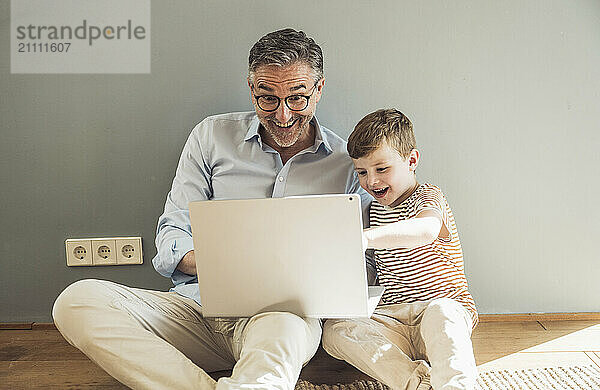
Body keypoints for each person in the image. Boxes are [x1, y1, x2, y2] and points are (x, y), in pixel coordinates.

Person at [52, 28, 371, 390]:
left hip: (280, 319)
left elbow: (361, 259)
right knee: (77, 301)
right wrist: (227, 266)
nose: (282, 115)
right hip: (196, 311)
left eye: (297, 99)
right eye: (267, 98)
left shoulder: (349, 164)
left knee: (284, 327)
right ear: (251, 90)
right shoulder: (211, 136)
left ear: (319, 89)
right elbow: (172, 235)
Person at [322, 109, 478, 390]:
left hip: (438, 310)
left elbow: (425, 230)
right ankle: (416, 383)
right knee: (335, 330)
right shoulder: (372, 212)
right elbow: (369, 270)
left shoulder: (427, 196)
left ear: (412, 161)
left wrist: (366, 237)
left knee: (442, 314)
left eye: (382, 169)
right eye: (362, 172)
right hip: (393, 318)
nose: (371, 181)